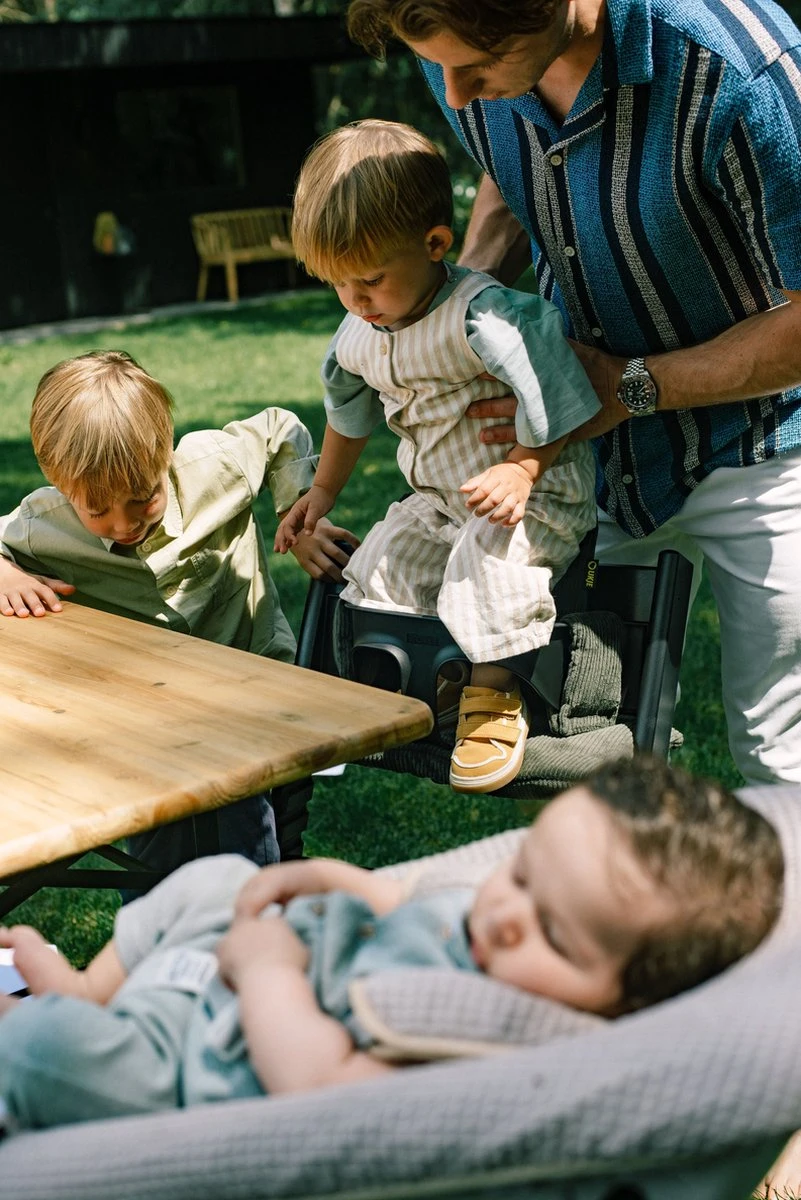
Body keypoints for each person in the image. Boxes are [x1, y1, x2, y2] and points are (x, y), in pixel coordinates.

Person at [344, 0, 801, 792]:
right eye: (440, 68)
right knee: (601, 743)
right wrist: (459, 307)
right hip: (595, 457)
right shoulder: (459, 46)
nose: (452, 95)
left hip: (765, 445)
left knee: (778, 742)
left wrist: (628, 386)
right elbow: (514, 158)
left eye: (476, 70)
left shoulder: (739, 72)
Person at [0, 755, 783, 1127]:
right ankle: (87, 991)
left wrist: (271, 972)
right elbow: (410, 908)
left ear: (629, 1002)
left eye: (554, 932)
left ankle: (50, 1024)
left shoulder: (490, 1033)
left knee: (40, 1053)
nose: (505, 913)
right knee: (218, 877)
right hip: (246, 972)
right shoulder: (500, 942)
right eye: (522, 874)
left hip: (195, 1067)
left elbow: (323, 1092)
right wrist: (341, 881)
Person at [275, 118, 600, 795]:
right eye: (337, 283)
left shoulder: (481, 316)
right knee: (379, 567)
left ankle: (495, 701)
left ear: (434, 245)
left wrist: (522, 465)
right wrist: (325, 494)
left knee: (488, 567)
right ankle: (431, 680)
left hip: (529, 496)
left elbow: (554, 381)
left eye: (368, 279)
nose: (355, 301)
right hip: (440, 500)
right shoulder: (359, 331)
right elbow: (347, 412)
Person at [0, 350, 359, 875]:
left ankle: (245, 915)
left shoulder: (214, 465)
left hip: (256, 694)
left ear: (163, 454)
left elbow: (281, 430)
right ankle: (163, 928)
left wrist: (296, 512)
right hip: (141, 727)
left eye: (142, 499)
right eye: (96, 510)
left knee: (250, 827)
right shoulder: (42, 523)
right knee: (157, 839)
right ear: (59, 483)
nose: (123, 523)